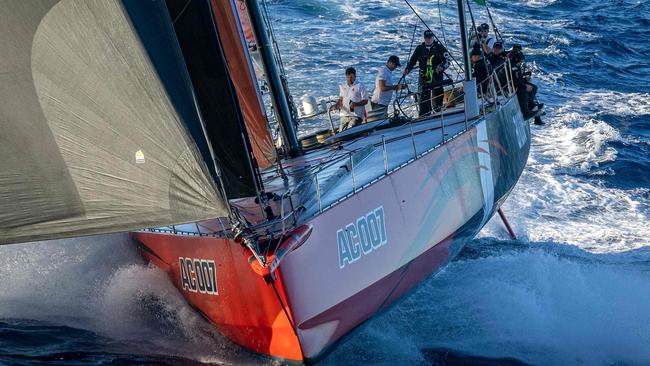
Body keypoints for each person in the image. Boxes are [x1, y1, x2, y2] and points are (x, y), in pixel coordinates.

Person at [404, 29, 451, 117]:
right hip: (424, 76)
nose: (428, 40)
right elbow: (413, 61)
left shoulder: (439, 47)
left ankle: (438, 111)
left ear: (433, 38)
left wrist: (442, 67)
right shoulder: (419, 48)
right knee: (423, 95)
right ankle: (424, 115)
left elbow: (448, 60)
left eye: (430, 38)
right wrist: (408, 69)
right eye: (426, 38)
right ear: (424, 38)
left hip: (437, 75)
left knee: (437, 93)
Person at [330, 67, 369, 132]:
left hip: (356, 115)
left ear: (355, 76)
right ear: (346, 77)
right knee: (341, 133)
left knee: (349, 131)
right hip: (344, 115)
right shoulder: (343, 86)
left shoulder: (360, 85)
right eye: (348, 77)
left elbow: (365, 101)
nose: (350, 79)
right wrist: (335, 106)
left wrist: (355, 104)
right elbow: (340, 100)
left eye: (351, 77)